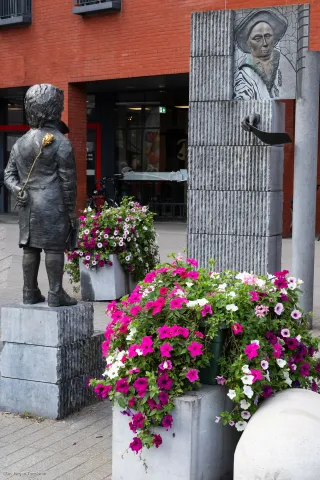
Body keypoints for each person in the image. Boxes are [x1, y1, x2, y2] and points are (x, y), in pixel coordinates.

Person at [4, 84, 77, 307]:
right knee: (54, 248)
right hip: (52, 204)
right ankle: (55, 293)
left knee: (30, 247)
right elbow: (68, 182)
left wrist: (18, 189)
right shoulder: (61, 143)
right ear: (54, 109)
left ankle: (29, 292)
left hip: (27, 206)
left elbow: (8, 174)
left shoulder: (20, 142)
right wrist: (72, 211)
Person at [234, 8, 296, 100]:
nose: (264, 43)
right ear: (248, 44)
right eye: (257, 38)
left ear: (274, 39)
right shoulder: (244, 77)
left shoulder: (286, 66)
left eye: (268, 36)